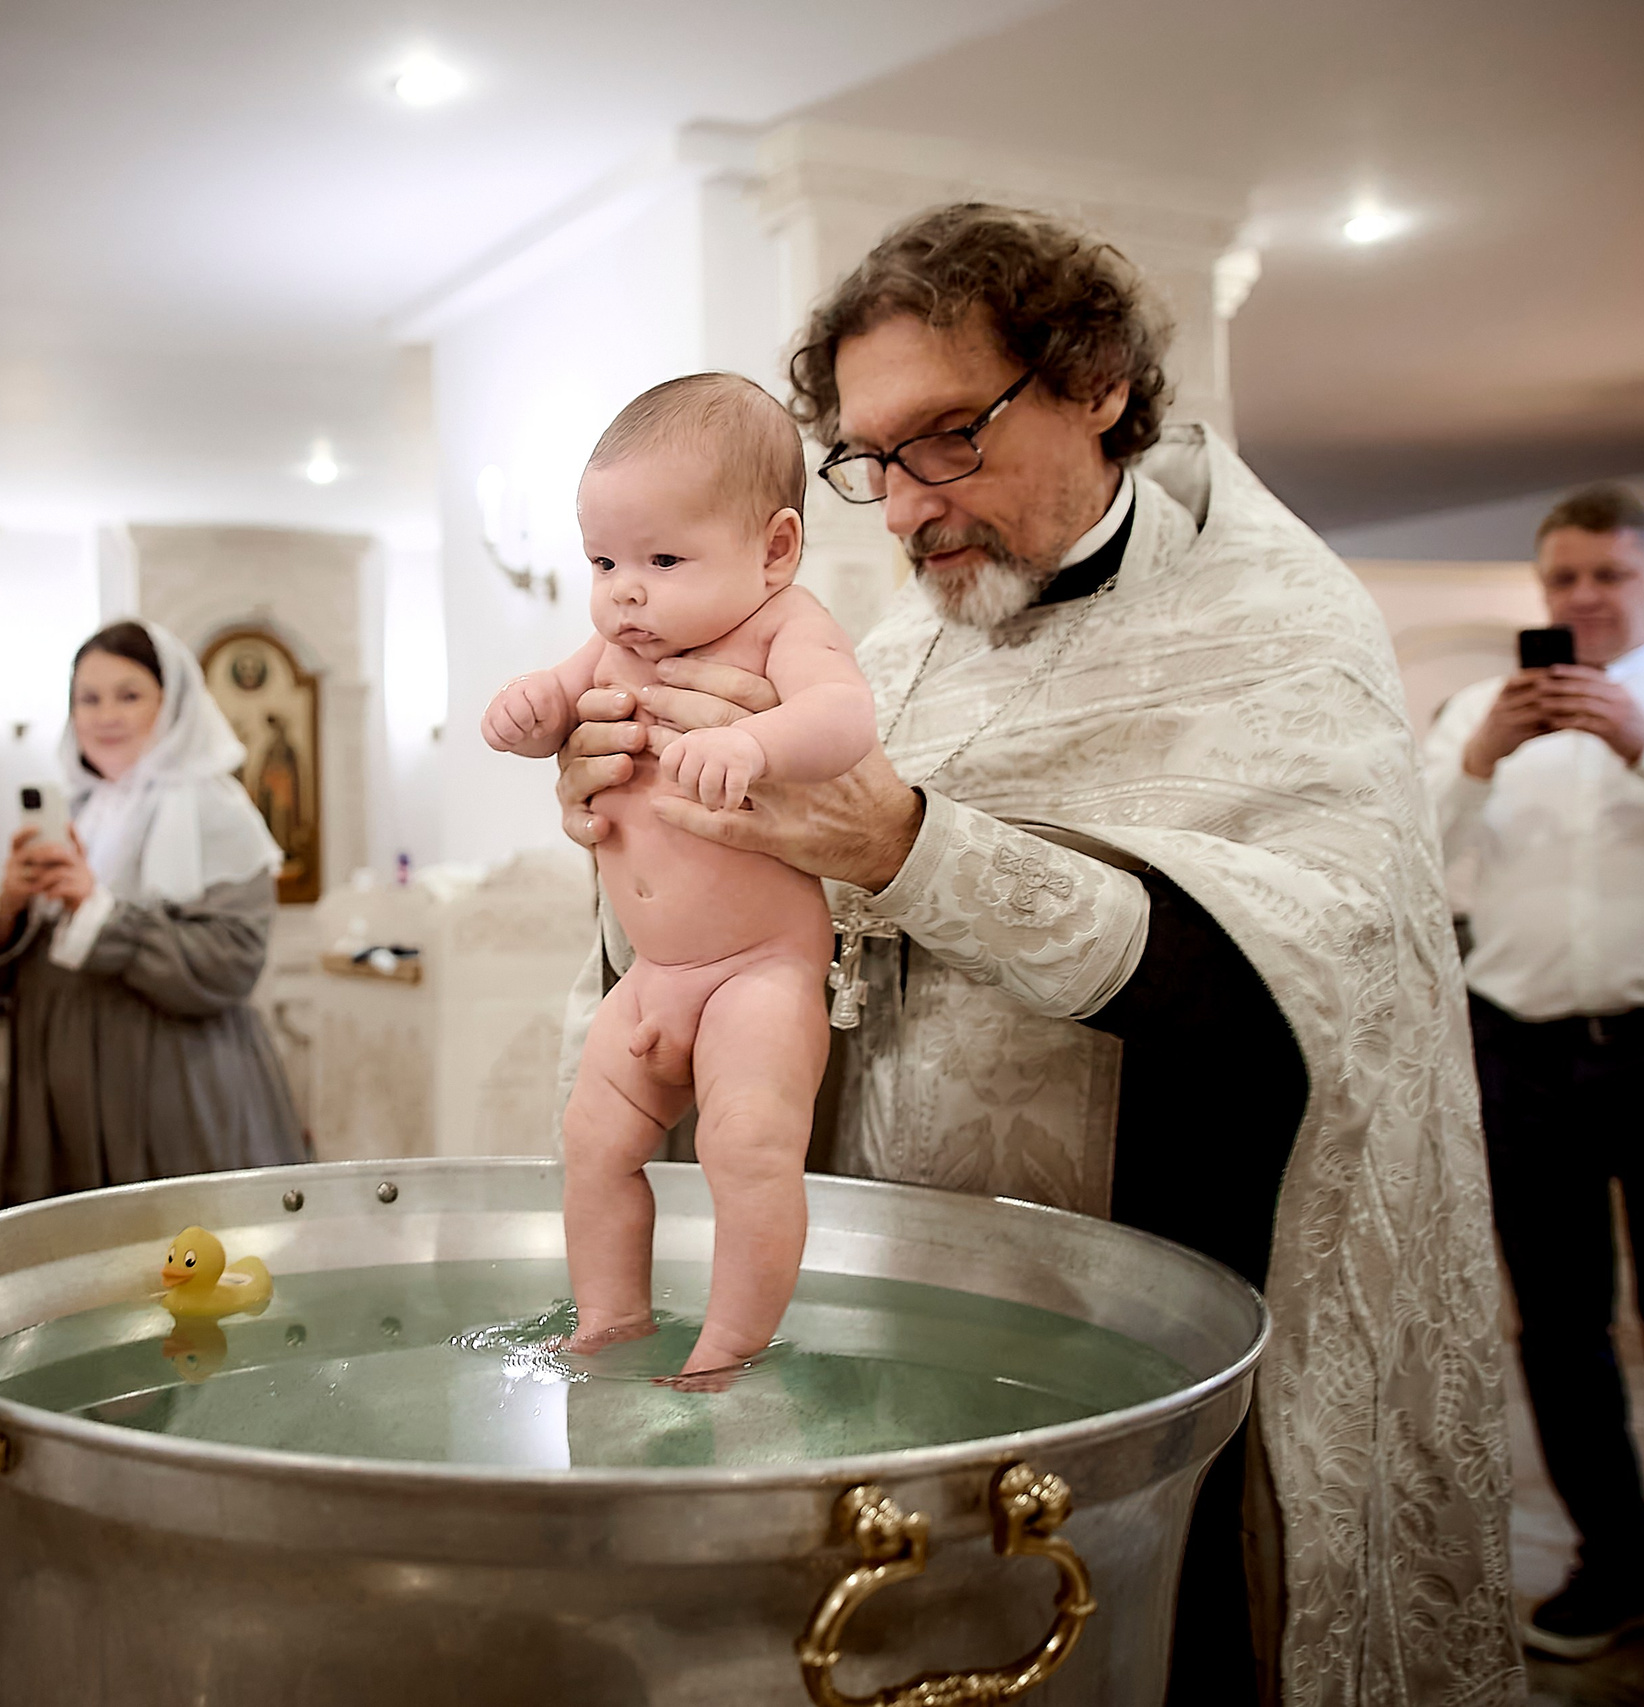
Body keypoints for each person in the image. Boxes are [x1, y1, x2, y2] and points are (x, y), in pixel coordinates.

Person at [551, 203, 1519, 1702]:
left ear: (1102, 382)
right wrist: (621, 834)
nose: (909, 506)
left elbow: (1306, 987)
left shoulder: (1277, 625)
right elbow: (754, 931)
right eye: (871, 459)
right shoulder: (881, 652)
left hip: (1150, 1320)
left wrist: (906, 844)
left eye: (948, 436)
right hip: (895, 1301)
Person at [0, 617, 305, 1695]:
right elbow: (5, 978)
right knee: (40, 1333)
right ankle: (11, 1568)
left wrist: (92, 906)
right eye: (86, 698)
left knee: (180, 1333)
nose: (102, 717)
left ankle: (205, 1575)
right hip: (58, 1106)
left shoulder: (217, 807)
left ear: (173, 707)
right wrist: (10, 912)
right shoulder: (71, 809)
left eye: (125, 696)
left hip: (175, 1099)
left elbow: (227, 970)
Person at [483, 373, 875, 1383]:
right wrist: (532, 715)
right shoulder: (614, 642)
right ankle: (608, 1317)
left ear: (775, 549)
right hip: (651, 977)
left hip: (758, 973)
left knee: (744, 1151)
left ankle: (731, 1341)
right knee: (591, 1141)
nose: (626, 588)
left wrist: (759, 746)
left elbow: (844, 720)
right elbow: (554, 709)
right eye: (604, 559)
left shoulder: (784, 627)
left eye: (662, 557)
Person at [1419, 484, 1644, 1697]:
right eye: (1563, 579)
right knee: (1556, 1331)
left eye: (1608, 575)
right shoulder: (1476, 709)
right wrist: (1474, 758)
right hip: (1521, 1051)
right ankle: (1615, 1569)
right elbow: (1401, 842)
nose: (1584, 599)